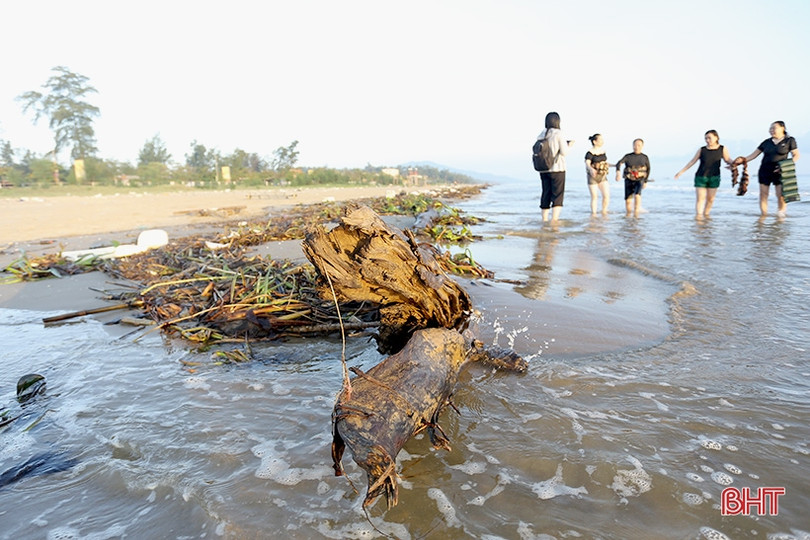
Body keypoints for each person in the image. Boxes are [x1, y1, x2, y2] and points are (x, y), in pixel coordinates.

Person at [735, 121, 800, 217]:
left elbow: (796, 155)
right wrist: (737, 162)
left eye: (774, 128)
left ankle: (780, 216)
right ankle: (763, 216)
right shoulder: (766, 142)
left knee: (781, 196)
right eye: (770, 128)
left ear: (783, 128)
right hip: (765, 171)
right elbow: (753, 155)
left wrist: (785, 166)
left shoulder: (789, 140)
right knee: (763, 195)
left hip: (780, 171)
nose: (771, 130)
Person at [675, 130, 732, 219]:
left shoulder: (722, 148)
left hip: (714, 177)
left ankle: (706, 215)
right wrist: (681, 172)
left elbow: (728, 159)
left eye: (709, 138)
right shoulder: (702, 150)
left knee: (710, 199)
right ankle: (698, 217)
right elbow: (692, 161)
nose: (707, 140)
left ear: (716, 138)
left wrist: (735, 164)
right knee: (700, 199)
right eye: (706, 138)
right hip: (701, 177)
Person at [536, 112, 575, 222]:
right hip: (557, 168)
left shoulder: (541, 134)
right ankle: (554, 221)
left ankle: (544, 220)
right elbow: (564, 152)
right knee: (557, 195)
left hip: (543, 168)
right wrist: (569, 145)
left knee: (545, 193)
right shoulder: (558, 133)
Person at [615, 138, 650, 217]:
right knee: (628, 201)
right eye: (635, 145)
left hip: (639, 180)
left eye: (638, 145)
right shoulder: (628, 156)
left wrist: (645, 181)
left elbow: (648, 169)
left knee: (637, 195)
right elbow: (618, 163)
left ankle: (636, 215)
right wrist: (618, 172)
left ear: (642, 146)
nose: (636, 147)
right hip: (628, 180)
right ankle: (628, 216)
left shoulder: (644, 157)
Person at [585, 133, 611, 215]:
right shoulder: (590, 152)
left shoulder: (603, 151)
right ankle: (594, 214)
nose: (602, 141)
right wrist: (591, 169)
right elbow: (587, 163)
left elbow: (604, 162)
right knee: (594, 197)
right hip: (593, 176)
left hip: (603, 176)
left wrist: (613, 165)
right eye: (600, 140)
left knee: (606, 196)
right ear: (595, 141)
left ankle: (604, 211)